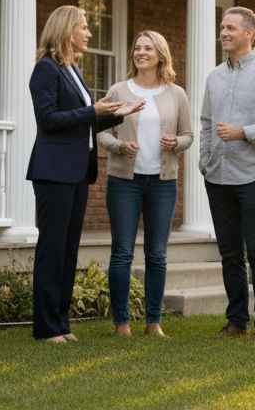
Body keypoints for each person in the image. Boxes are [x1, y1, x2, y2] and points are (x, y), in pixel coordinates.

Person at [27, 5, 142, 343]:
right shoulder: (45, 70)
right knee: (52, 248)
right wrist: (93, 110)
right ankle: (46, 327)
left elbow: (83, 120)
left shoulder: (72, 68)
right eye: (84, 26)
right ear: (66, 30)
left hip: (77, 171)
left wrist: (117, 113)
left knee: (68, 250)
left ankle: (61, 323)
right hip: (53, 171)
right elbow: (48, 119)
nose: (89, 33)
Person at [97, 30, 192, 337]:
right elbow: (102, 133)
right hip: (125, 182)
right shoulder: (119, 90)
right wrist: (119, 147)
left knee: (157, 254)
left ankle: (153, 322)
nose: (141, 52)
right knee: (122, 252)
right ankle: (121, 323)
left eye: (148, 48)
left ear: (160, 55)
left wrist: (175, 141)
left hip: (163, 183)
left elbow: (189, 135)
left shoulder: (176, 94)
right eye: (137, 48)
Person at [200, 7, 255, 342]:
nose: (224, 33)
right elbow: (206, 123)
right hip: (218, 176)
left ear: (249, 32)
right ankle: (236, 320)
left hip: (254, 175)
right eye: (222, 27)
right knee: (230, 252)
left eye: (230, 28)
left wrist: (244, 132)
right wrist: (204, 161)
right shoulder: (214, 77)